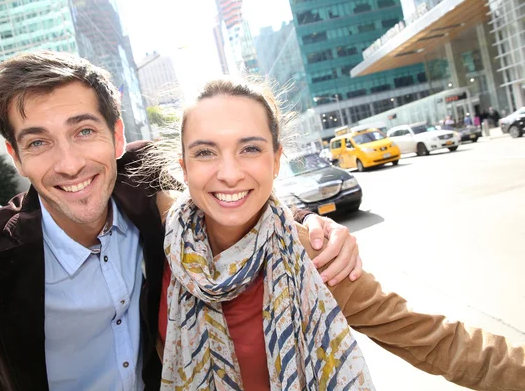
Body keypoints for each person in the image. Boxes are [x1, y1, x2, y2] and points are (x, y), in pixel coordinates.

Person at [0, 51, 361, 391]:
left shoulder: (143, 178)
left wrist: (306, 220)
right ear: (15, 156)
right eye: (39, 142)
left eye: (84, 131)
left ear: (117, 136)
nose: (71, 164)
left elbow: (225, 189)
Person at [150, 78, 525, 390]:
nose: (229, 173)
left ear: (277, 160)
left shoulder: (315, 259)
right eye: (205, 153)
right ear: (183, 166)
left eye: (250, 148)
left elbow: (438, 341)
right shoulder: (157, 237)